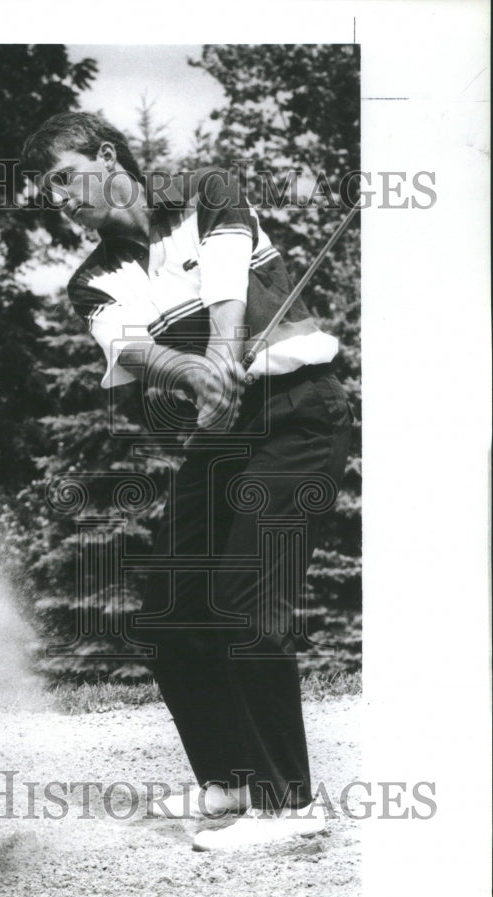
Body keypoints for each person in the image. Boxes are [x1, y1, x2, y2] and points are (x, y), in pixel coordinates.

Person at [21, 112, 353, 851]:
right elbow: (132, 349)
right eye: (48, 191)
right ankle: (231, 779)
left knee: (244, 598)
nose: (60, 200)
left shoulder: (207, 189)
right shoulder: (93, 278)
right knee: (172, 604)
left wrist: (224, 354)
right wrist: (198, 372)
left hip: (298, 414)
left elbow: (229, 283)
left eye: (63, 178)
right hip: (223, 430)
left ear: (107, 157)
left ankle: (289, 804)